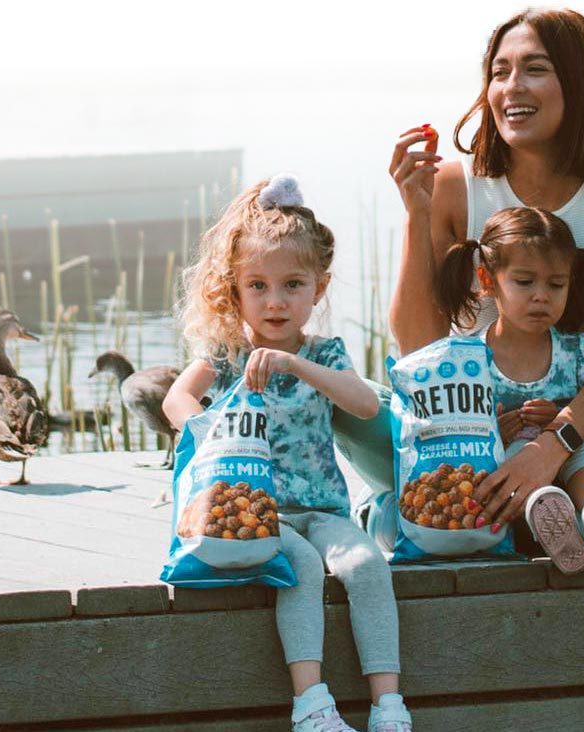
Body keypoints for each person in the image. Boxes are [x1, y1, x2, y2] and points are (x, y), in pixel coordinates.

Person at [335, 7, 584, 544]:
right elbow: (418, 346)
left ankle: (470, 513)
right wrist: (418, 214)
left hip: (579, 439)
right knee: (337, 396)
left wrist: (548, 449)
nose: (511, 87)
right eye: (499, 72)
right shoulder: (455, 187)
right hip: (458, 437)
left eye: (534, 69)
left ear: (580, 80)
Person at [163, 175, 413, 732]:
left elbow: (365, 405)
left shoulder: (323, 352)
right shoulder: (228, 353)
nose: (275, 301)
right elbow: (178, 396)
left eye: (292, 285)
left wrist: (297, 365)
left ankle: (388, 704)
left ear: (317, 289)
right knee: (297, 568)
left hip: (323, 507)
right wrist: (208, 433)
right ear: (236, 290)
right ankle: (312, 704)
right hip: (257, 510)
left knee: (367, 564)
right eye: (258, 286)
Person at [434, 206, 584, 574]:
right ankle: (546, 516)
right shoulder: (466, 358)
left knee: (578, 444)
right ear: (488, 280)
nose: (541, 296)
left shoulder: (577, 352)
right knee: (510, 454)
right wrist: (492, 427)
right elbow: (458, 427)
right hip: (505, 467)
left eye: (555, 285)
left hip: (562, 452)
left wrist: (558, 418)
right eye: (524, 283)